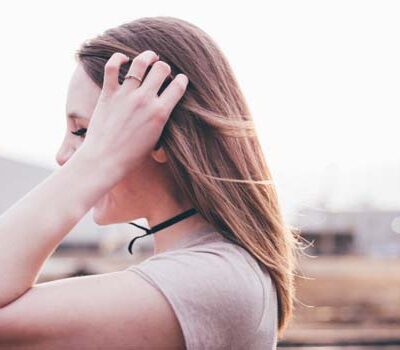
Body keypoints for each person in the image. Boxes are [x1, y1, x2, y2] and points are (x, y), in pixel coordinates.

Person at [0, 16, 304, 349]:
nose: (62, 156)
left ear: (158, 137)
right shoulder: (207, 271)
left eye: (85, 131)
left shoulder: (213, 280)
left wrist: (98, 160)